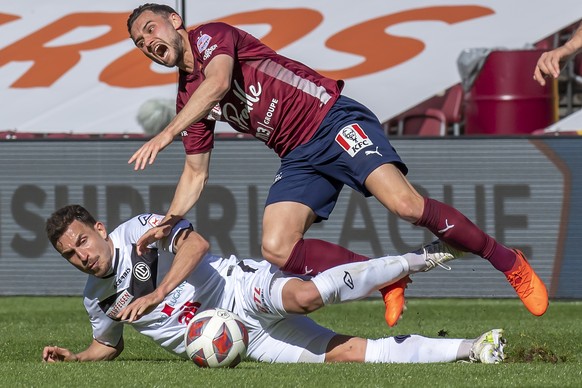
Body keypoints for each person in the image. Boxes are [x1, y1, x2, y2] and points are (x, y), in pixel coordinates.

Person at [125, 3, 548, 326]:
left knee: (406, 207)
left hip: (331, 120)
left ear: (175, 22)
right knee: (276, 248)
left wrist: (164, 134)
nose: (148, 42)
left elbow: (217, 84)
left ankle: (507, 260)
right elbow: (196, 172)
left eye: (150, 29)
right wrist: (172, 218)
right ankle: (386, 277)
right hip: (297, 155)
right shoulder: (186, 99)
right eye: (140, 43)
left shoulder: (210, 37)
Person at [42, 204, 505, 365]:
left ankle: (426, 257)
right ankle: (474, 349)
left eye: (82, 241)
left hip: (234, 290)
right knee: (348, 355)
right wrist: (77, 356)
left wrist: (158, 293)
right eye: (70, 254)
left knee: (304, 295)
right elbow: (109, 344)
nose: (82, 255)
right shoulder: (95, 299)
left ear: (99, 229)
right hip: (240, 342)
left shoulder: (137, 231)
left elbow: (197, 244)